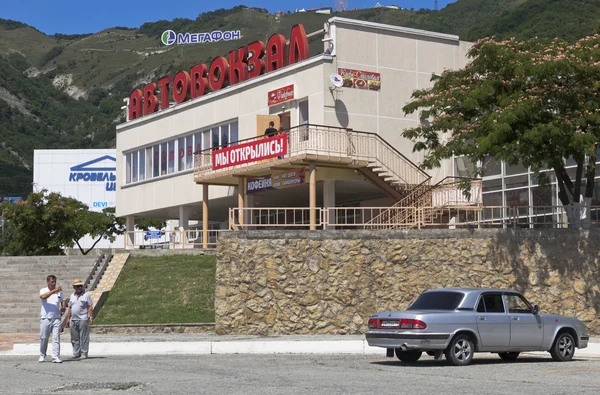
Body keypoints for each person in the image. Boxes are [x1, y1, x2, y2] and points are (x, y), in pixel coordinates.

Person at [65, 279, 94, 360]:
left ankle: (84, 353)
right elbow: (70, 308)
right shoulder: (72, 296)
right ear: (74, 287)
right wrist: (68, 318)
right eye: (77, 286)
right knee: (74, 337)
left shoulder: (86, 295)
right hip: (73, 319)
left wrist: (91, 316)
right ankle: (76, 353)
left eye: (80, 286)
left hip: (83, 318)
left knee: (83, 336)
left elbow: (90, 306)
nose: (79, 287)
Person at [39, 275, 66, 363]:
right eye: (52, 282)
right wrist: (54, 290)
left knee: (56, 338)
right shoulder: (43, 290)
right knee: (44, 337)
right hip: (45, 317)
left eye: (55, 282)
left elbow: (63, 300)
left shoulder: (59, 292)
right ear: (48, 282)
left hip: (56, 318)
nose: (54, 283)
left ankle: (55, 356)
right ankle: (42, 354)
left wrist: (63, 308)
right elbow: (43, 297)